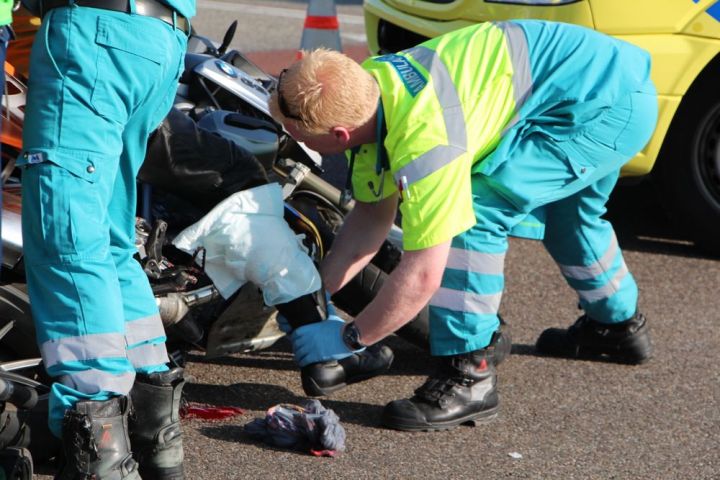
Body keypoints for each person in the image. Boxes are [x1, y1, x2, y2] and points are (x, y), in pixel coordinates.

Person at [270, 20, 656, 432]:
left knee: (474, 214)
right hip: (595, 80)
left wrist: (350, 339)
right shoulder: (370, 88)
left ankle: (470, 376)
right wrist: (315, 302)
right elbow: (369, 217)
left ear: (340, 134)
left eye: (298, 134)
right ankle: (617, 326)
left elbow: (423, 274)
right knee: (570, 218)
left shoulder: (427, 142)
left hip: (607, 106)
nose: (298, 142)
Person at [17, 0, 195, 477]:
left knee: (67, 239)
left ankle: (99, 445)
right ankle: (154, 433)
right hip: (159, 37)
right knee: (109, 244)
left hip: (98, 33)